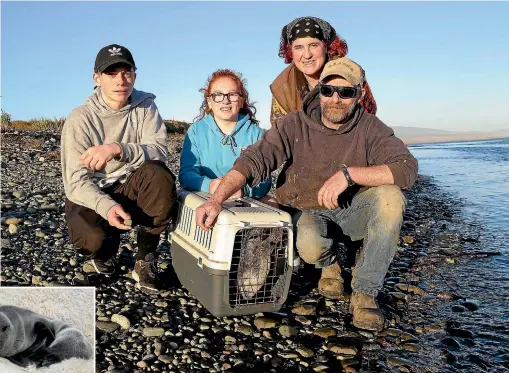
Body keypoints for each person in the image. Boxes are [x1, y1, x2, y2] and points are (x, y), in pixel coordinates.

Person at [195, 57, 418, 331]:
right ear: (319, 91)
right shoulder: (293, 124)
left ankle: (365, 291)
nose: (335, 98)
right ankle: (331, 262)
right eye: (328, 90)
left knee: (391, 198)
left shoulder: (371, 127)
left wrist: (350, 175)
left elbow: (407, 168)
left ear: (359, 95)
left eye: (346, 92)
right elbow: (255, 160)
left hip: (352, 211)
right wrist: (217, 199)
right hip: (308, 210)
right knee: (311, 244)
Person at [60, 44, 177, 292]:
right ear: (97, 78)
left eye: (126, 72)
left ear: (135, 74)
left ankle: (145, 258)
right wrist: (107, 206)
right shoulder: (80, 118)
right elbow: (76, 182)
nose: (120, 80)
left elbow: (159, 152)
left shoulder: (146, 107)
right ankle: (104, 254)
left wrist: (117, 149)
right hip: (94, 190)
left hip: (131, 183)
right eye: (111, 73)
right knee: (90, 238)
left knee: (159, 174)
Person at [179, 69, 273, 202]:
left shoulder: (256, 134)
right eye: (218, 95)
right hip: (204, 196)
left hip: (244, 200)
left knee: (273, 204)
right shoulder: (196, 131)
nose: (225, 101)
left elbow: (265, 181)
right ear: (209, 102)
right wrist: (210, 185)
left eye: (232, 95)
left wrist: (242, 190)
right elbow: (186, 174)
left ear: (241, 101)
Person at [270, 16, 377, 127]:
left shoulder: (350, 72)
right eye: (298, 47)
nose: (307, 55)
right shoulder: (282, 87)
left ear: (326, 47)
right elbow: (280, 132)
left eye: (314, 45)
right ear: (290, 51)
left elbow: (369, 115)